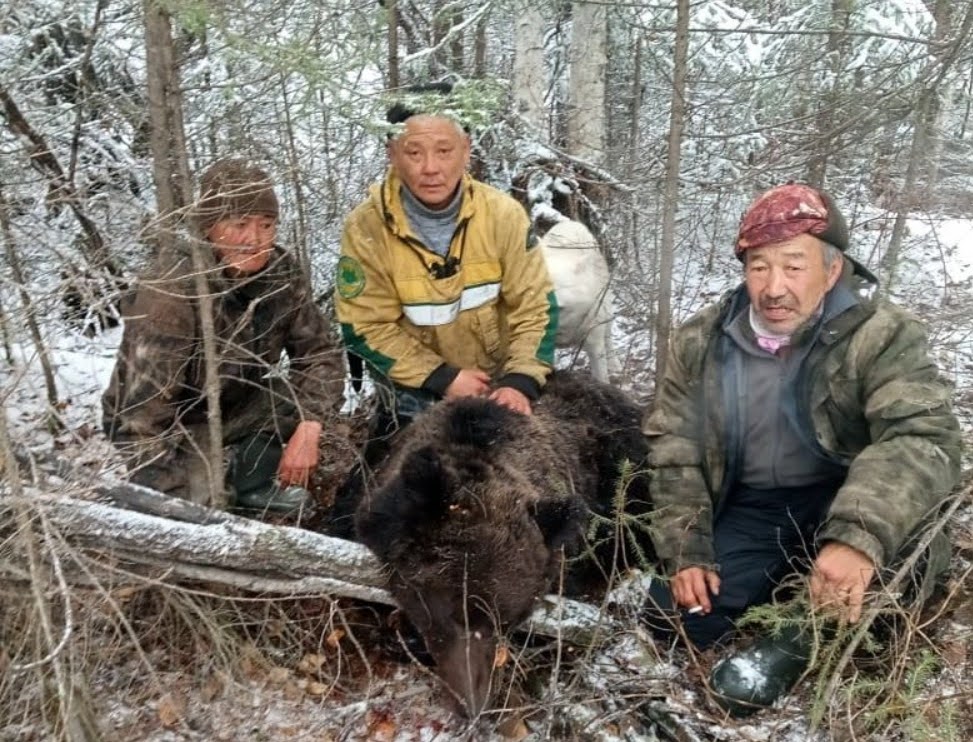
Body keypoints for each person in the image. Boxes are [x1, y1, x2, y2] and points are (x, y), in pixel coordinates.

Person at [641, 183, 962, 714]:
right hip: (758, 507)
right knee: (669, 614)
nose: (774, 288)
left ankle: (793, 638)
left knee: (909, 546)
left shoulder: (882, 336)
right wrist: (687, 548)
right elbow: (676, 441)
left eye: (794, 265)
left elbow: (923, 437)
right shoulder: (702, 340)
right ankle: (783, 583)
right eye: (759, 266)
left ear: (832, 270)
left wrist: (856, 538)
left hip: (849, 494)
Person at [329, 83, 559, 534]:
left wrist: (519, 381)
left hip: (498, 383)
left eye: (444, 150)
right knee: (365, 511)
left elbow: (535, 306)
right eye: (414, 152)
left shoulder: (503, 216)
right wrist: (444, 379)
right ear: (392, 152)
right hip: (416, 389)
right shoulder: (366, 228)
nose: (430, 168)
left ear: (466, 149)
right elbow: (364, 324)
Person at [102, 158, 345, 513]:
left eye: (266, 225)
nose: (254, 239)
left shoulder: (281, 273)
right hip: (171, 421)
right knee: (201, 517)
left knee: (291, 396)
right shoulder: (172, 292)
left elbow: (320, 353)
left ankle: (253, 484)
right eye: (239, 224)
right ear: (209, 228)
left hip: (234, 399)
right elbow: (140, 419)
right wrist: (169, 497)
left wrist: (310, 426)